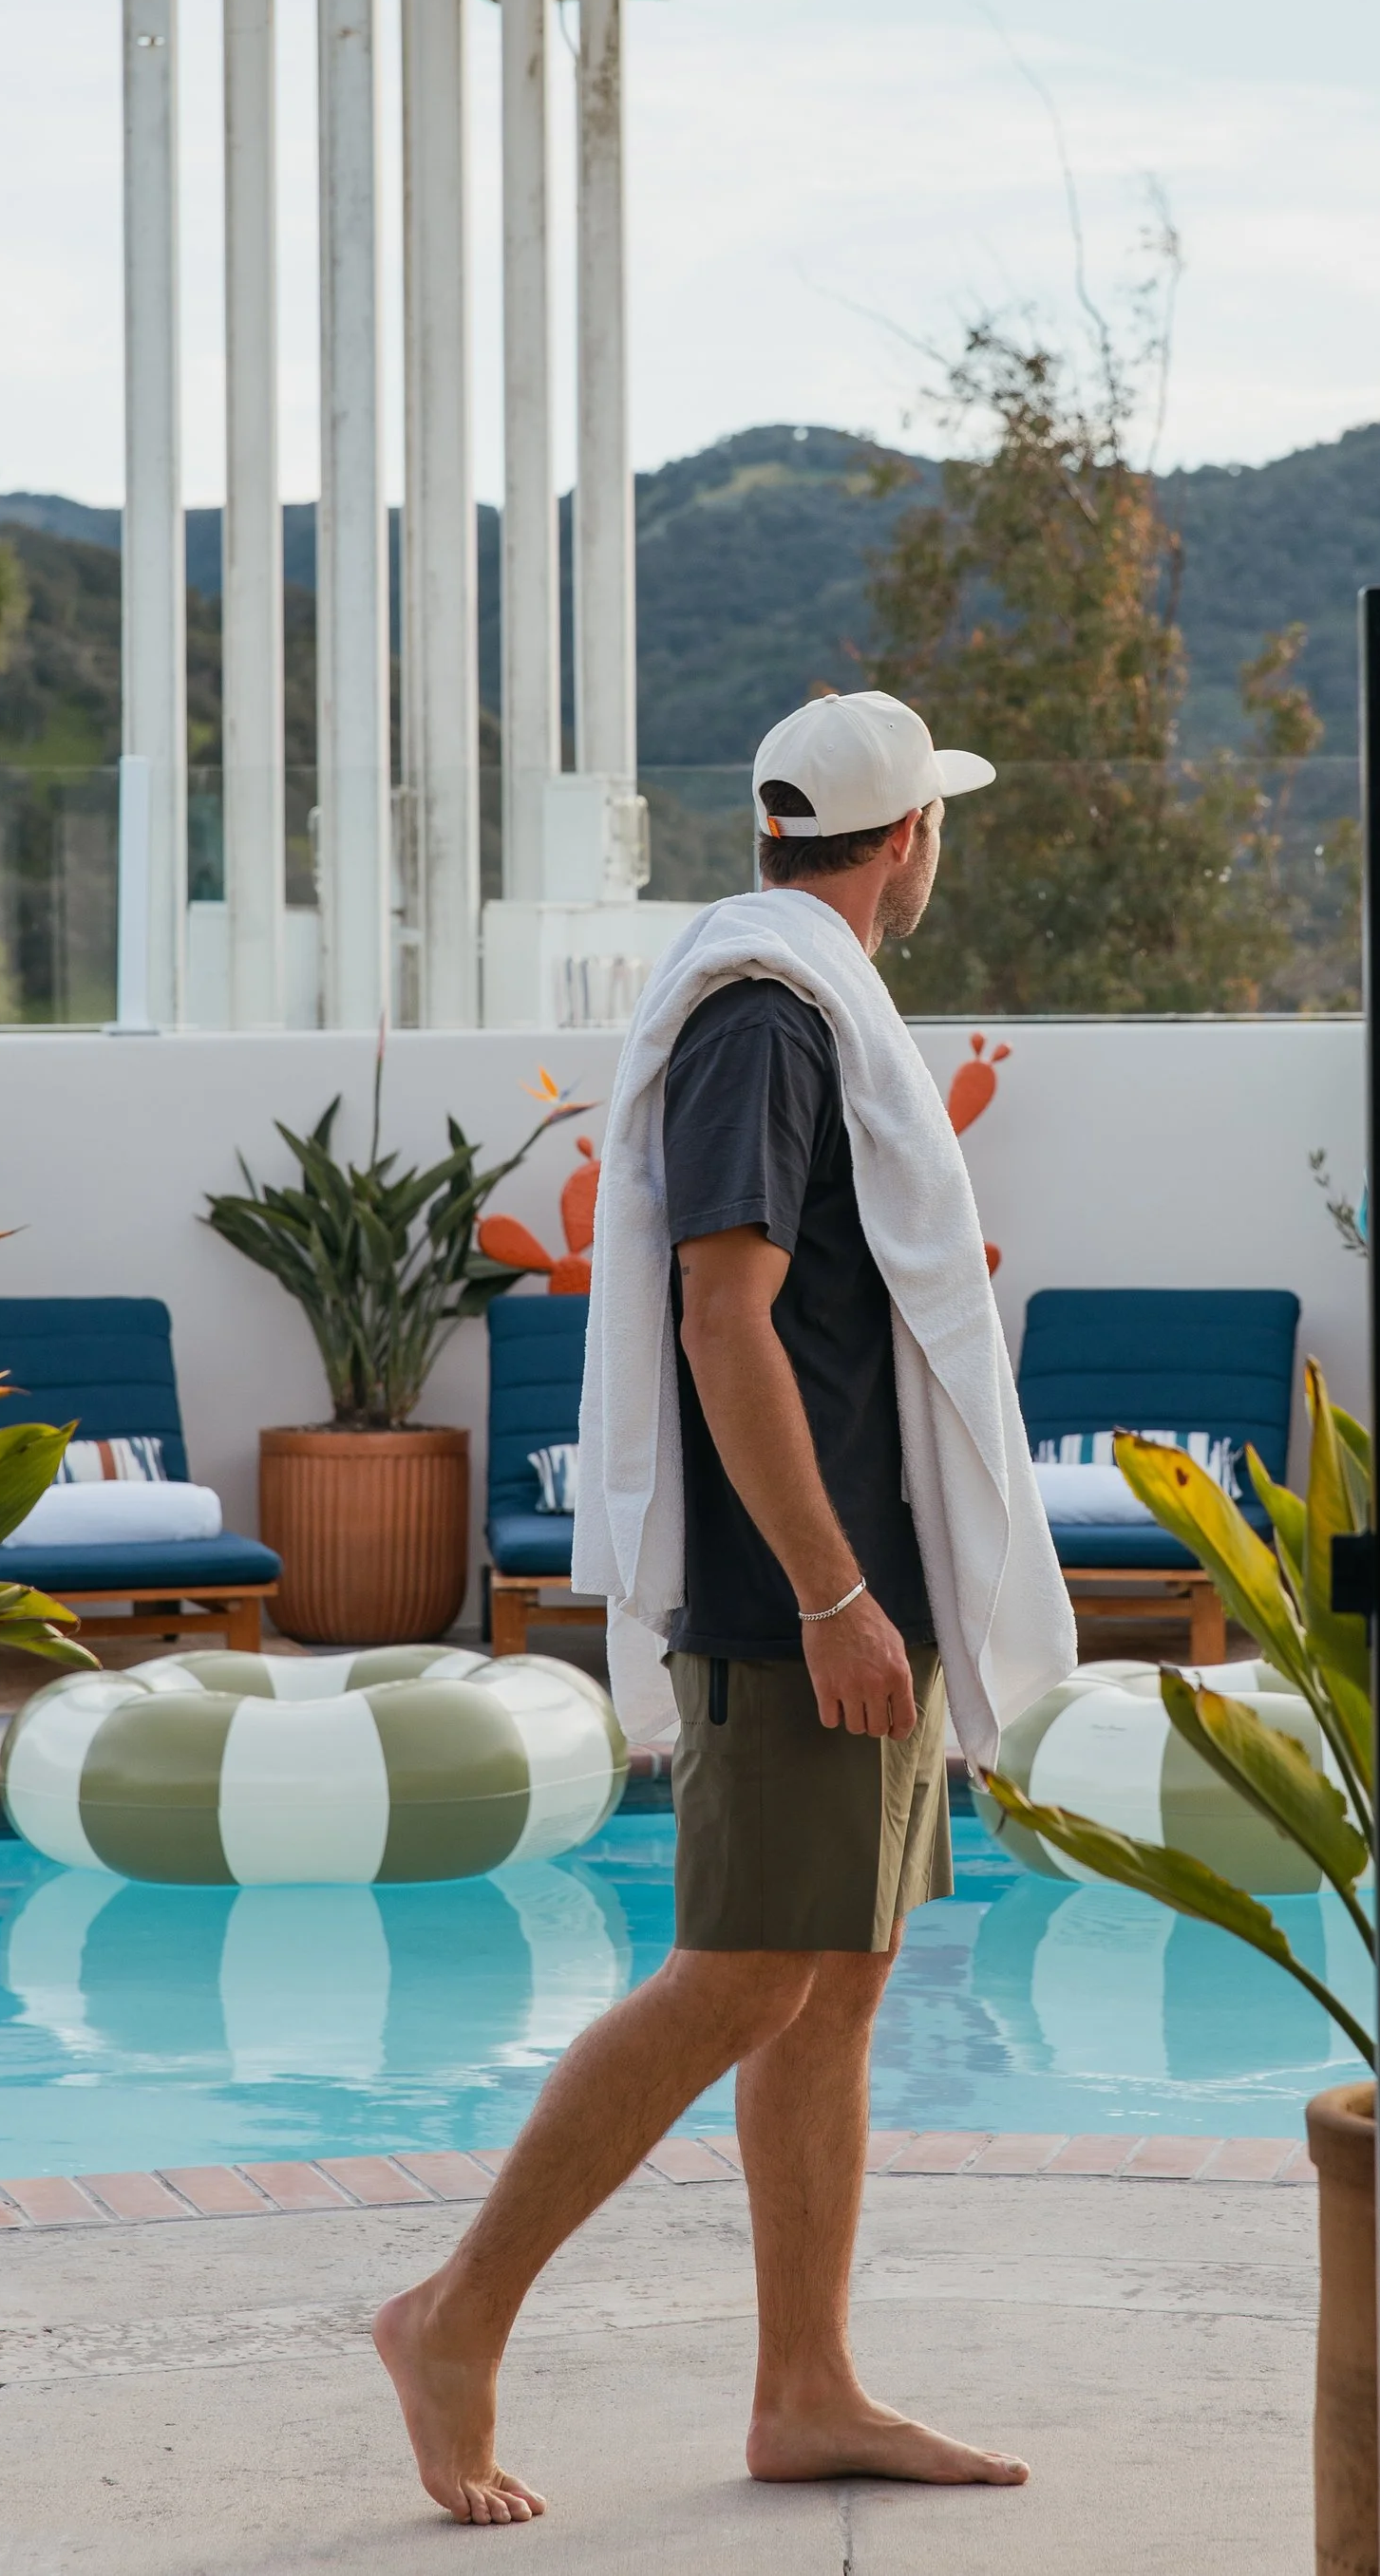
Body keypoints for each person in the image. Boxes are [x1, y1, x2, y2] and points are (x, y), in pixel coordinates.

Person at [375, 689, 1075, 2527]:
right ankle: (450, 2316)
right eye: (940, 826)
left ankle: (805, 2383)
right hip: (802, 1599)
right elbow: (719, 1316)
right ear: (907, 838)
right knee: (748, 1969)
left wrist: (889, 1591)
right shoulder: (766, 1022)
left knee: (838, 1981)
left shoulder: (805, 997)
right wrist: (838, 1592)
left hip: (867, 1582)